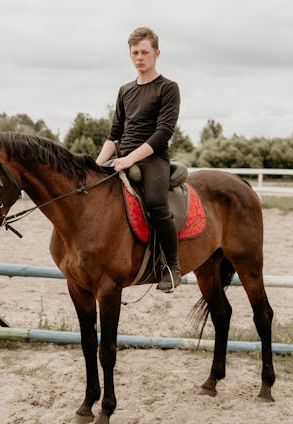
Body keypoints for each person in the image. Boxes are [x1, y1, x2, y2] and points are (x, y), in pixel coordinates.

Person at [96, 27, 181, 292]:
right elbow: (114, 134)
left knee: (157, 204)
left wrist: (130, 158)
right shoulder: (125, 90)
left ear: (157, 53)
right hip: (123, 157)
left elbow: (162, 133)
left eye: (145, 52)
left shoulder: (168, 88)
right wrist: (97, 164)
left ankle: (172, 267)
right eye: (135, 52)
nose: (139, 57)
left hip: (153, 158)